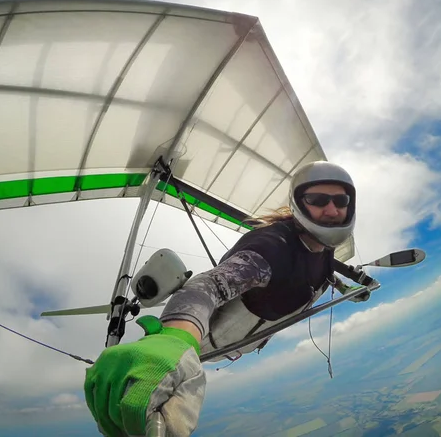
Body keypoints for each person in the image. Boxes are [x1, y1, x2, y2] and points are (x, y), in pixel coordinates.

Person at [84, 161, 370, 437]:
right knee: (172, 379)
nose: (331, 209)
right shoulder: (270, 252)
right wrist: (174, 338)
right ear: (299, 203)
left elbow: (323, 269)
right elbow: (206, 287)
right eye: (318, 199)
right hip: (207, 340)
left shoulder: (324, 244)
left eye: (341, 200)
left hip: (242, 340)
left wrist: (345, 289)